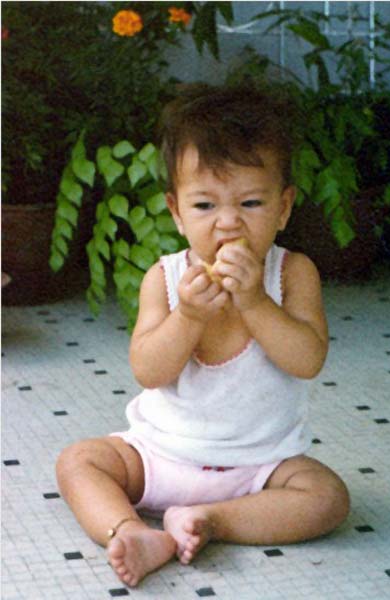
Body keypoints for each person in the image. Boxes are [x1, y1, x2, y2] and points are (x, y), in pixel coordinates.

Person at [56, 84, 350, 588]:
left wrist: (256, 303)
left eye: (251, 202)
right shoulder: (165, 279)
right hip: (160, 457)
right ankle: (133, 531)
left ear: (283, 208)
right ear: (176, 211)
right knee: (78, 461)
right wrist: (188, 317)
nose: (229, 223)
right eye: (205, 205)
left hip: (260, 468)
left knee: (328, 498)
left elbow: (307, 360)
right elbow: (149, 370)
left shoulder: (293, 274)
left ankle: (210, 520)